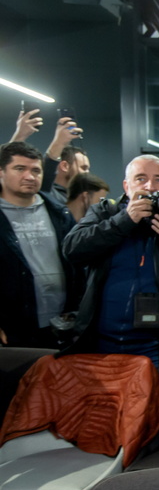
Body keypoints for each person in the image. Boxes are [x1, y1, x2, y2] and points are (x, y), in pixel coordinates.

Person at [63, 155, 159, 365]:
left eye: (158, 179)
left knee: (153, 397)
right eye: (140, 179)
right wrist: (124, 220)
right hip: (99, 341)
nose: (150, 186)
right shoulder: (105, 213)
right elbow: (72, 250)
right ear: (126, 186)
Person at [0, 141, 80, 348]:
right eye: (19, 169)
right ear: (1, 172)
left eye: (36, 170)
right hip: (14, 327)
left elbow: (79, 262)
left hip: (62, 324)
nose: (29, 176)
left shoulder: (59, 213)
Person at [10, 109, 87, 203]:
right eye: (83, 168)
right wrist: (20, 135)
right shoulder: (45, 193)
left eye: (35, 170)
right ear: (64, 166)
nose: (29, 177)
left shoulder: (79, 197)